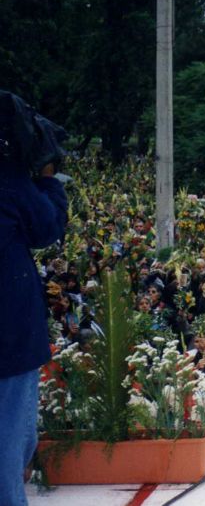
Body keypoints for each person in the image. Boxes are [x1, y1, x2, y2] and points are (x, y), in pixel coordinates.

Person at [0, 93, 68, 506]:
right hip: (10, 336)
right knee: (10, 442)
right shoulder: (9, 182)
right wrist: (46, 177)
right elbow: (47, 228)